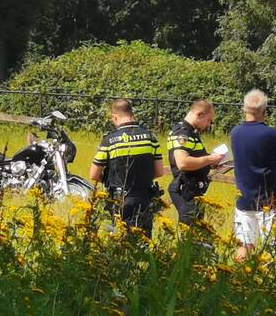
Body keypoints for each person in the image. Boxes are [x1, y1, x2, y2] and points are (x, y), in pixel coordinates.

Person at [230, 89, 276, 260]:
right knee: (272, 248)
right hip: (269, 199)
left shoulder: (235, 133)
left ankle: (236, 280)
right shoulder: (272, 134)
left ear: (245, 109)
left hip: (244, 198)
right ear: (265, 111)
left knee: (244, 245)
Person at [90, 98, 164, 236]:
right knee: (144, 241)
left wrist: (109, 179)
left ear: (114, 116)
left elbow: (93, 174)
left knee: (121, 240)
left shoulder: (109, 140)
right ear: (132, 114)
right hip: (145, 197)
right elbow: (159, 172)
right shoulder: (150, 137)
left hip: (120, 198)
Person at [168, 99, 225, 225]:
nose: (209, 125)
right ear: (199, 114)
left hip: (194, 189)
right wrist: (210, 159)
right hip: (186, 190)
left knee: (197, 231)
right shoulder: (182, 133)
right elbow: (183, 163)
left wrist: (211, 162)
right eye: (209, 120)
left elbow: (195, 157)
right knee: (191, 232)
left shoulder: (191, 132)